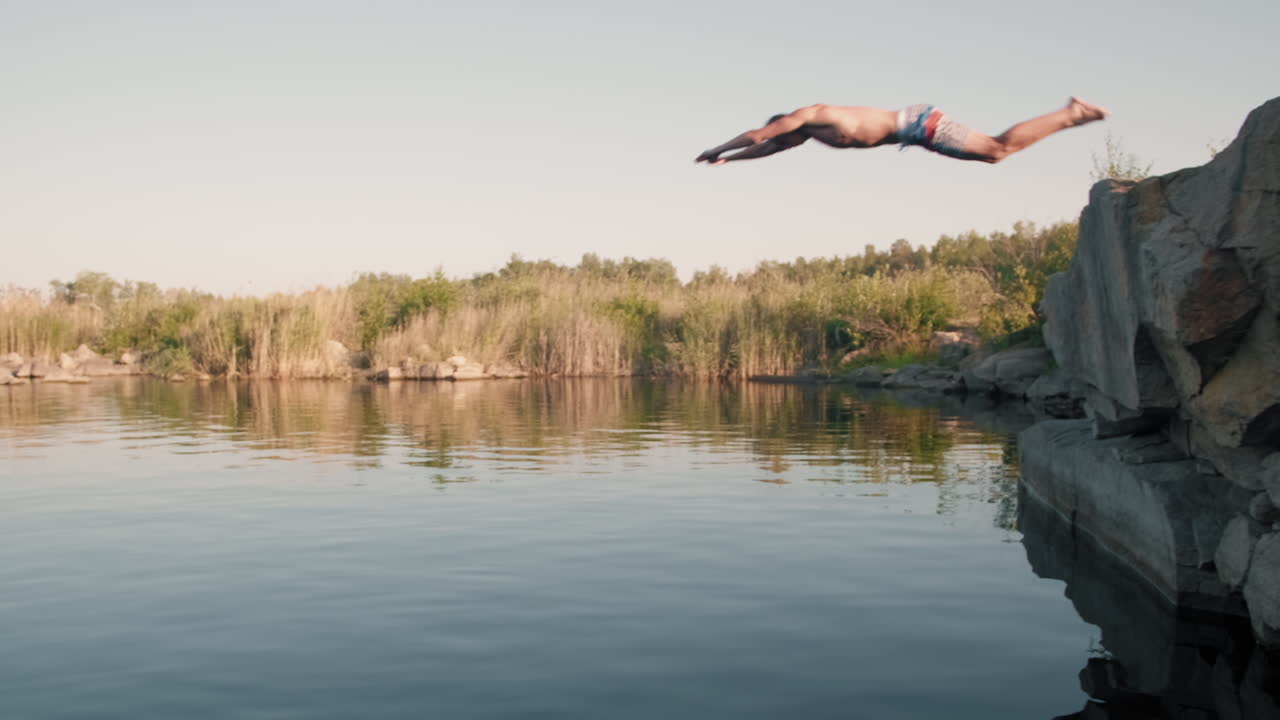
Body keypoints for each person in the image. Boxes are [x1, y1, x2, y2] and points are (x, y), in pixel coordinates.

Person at [694, 97, 1109, 165]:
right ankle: (1070, 115)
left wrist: (716, 146)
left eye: (781, 136)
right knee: (997, 152)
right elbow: (766, 150)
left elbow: (760, 137)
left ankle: (1071, 114)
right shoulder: (808, 133)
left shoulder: (807, 115)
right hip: (917, 129)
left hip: (918, 124)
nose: (785, 143)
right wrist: (728, 161)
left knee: (998, 150)